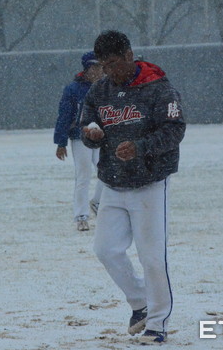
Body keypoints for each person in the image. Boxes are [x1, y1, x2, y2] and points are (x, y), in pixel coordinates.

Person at [80, 30, 185, 344]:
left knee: (152, 257)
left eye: (113, 63)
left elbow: (175, 130)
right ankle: (140, 303)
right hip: (113, 183)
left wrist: (141, 147)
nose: (109, 71)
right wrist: (91, 134)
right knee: (106, 249)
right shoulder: (99, 91)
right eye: (104, 65)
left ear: (129, 55)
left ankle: (157, 322)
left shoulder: (158, 87)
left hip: (150, 183)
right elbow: (86, 125)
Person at [54, 51, 104, 231]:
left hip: (102, 136)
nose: (100, 71)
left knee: (107, 171)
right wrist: (61, 142)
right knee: (83, 175)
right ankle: (81, 216)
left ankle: (97, 202)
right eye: (96, 67)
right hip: (80, 136)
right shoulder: (73, 89)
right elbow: (65, 116)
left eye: (101, 67)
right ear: (88, 69)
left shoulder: (107, 86)